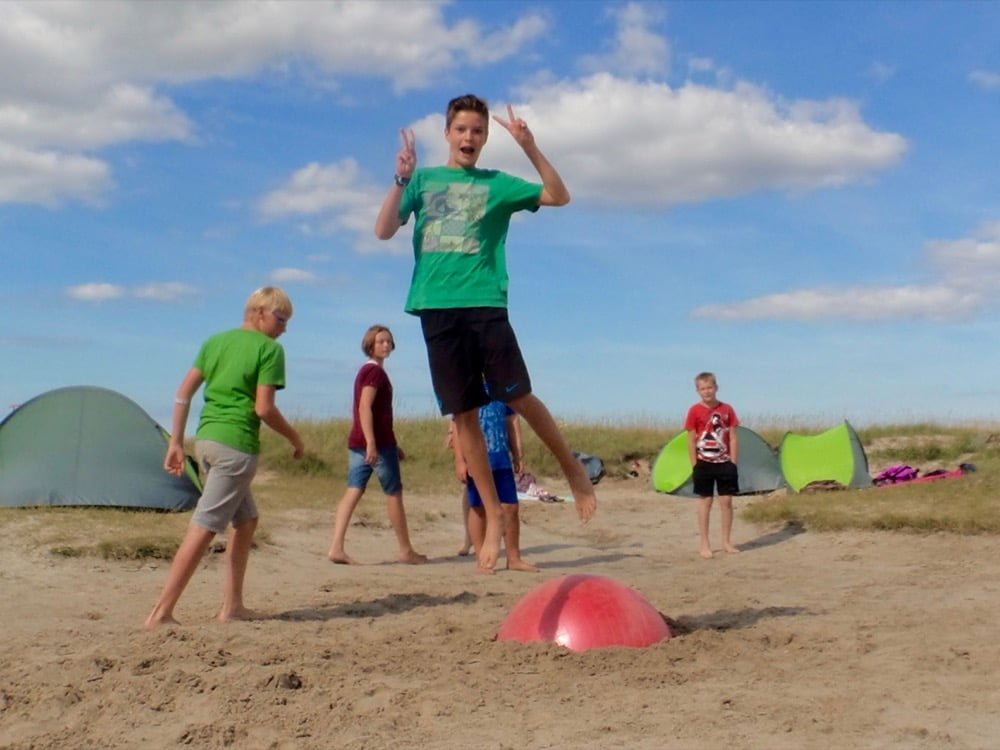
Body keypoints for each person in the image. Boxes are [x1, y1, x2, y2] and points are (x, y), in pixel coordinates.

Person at [374, 93, 597, 572]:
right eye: (462, 130)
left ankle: (572, 470)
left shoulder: (497, 184)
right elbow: (383, 230)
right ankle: (493, 517)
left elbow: (559, 195)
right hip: (437, 309)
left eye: (478, 131)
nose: (469, 138)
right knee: (464, 416)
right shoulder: (425, 180)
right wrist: (401, 179)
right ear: (448, 133)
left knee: (519, 397)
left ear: (485, 137)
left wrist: (530, 147)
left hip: (485, 304)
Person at [144, 286, 305, 629]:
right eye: (281, 318)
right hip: (236, 448)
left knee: (246, 522)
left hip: (207, 443)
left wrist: (176, 442)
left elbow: (182, 394)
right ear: (259, 312)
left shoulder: (215, 342)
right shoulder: (269, 350)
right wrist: (295, 437)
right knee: (204, 527)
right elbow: (264, 408)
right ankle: (161, 613)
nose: (284, 328)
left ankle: (232, 606)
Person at [327, 325, 427, 565]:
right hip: (374, 444)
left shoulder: (367, 372)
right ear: (370, 345)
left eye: (388, 341)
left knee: (354, 490)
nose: (385, 345)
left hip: (365, 441)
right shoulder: (374, 373)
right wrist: (373, 443)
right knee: (393, 493)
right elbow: (365, 407)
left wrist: (393, 443)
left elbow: (380, 414)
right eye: (380, 341)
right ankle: (405, 550)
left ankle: (336, 548)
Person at [449, 399, 537, 572]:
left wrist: (518, 454)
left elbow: (512, 422)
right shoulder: (465, 392)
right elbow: (458, 427)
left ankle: (514, 558)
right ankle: (481, 559)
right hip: (476, 460)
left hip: (501, 459)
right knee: (478, 508)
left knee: (511, 507)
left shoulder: (501, 391)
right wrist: (460, 460)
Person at [685, 372, 741, 559]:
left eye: (709, 387)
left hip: (724, 461)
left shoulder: (727, 409)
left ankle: (726, 542)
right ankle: (704, 543)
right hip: (703, 462)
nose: (706, 392)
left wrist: (733, 462)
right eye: (702, 389)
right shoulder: (694, 411)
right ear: (697, 391)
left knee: (726, 502)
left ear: (716, 387)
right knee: (705, 502)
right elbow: (690, 439)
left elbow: (732, 437)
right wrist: (695, 464)